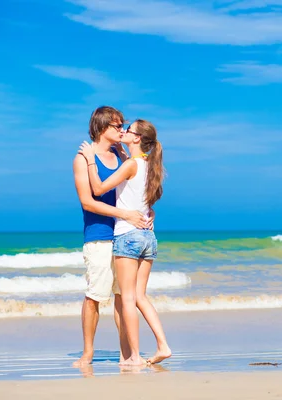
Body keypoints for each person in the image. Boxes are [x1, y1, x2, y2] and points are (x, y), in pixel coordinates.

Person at [79, 119, 171, 366]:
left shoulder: (130, 164)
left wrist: (89, 159)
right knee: (140, 297)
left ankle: (133, 358)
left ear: (137, 138)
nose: (123, 131)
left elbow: (97, 189)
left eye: (128, 130)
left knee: (129, 299)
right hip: (148, 238)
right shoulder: (150, 164)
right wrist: (150, 212)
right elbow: (147, 199)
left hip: (128, 235)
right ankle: (162, 344)